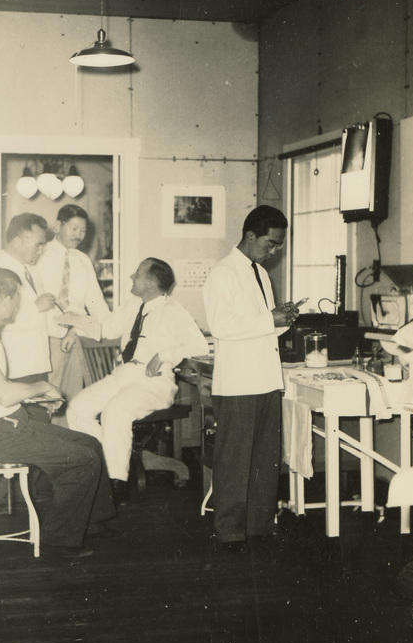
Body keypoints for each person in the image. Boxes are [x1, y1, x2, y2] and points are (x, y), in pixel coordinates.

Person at [0, 267, 117, 559]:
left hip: (9, 423)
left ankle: (91, 521)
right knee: (82, 461)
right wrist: (44, 385)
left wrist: (39, 398)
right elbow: (4, 393)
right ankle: (58, 539)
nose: (18, 304)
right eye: (17, 297)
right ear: (5, 299)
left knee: (89, 444)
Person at [67, 257, 209, 505]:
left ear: (151, 282)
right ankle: (111, 460)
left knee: (115, 411)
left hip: (153, 383)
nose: (132, 277)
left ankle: (116, 484)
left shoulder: (173, 311)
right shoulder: (133, 304)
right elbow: (106, 329)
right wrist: (74, 319)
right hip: (123, 375)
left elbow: (198, 344)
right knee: (77, 409)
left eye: (137, 274)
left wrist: (164, 355)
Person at [202, 205, 300, 552]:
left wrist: (283, 318)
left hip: (265, 379)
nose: (274, 251)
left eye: (278, 246)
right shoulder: (223, 273)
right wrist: (268, 318)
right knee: (234, 459)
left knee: (264, 459)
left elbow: (262, 328)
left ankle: (260, 525)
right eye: (271, 244)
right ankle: (229, 531)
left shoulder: (259, 273)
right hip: (239, 383)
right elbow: (222, 327)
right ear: (250, 236)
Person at [36, 204, 111, 410]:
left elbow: (96, 303)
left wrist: (109, 330)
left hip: (77, 336)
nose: (79, 235)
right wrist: (65, 327)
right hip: (47, 336)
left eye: (84, 230)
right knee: (46, 400)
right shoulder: (40, 254)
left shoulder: (83, 260)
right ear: (59, 225)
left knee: (71, 400)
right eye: (74, 228)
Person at [0, 213, 56, 400]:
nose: (42, 250)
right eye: (38, 244)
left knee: (41, 420)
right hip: (16, 365)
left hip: (37, 362)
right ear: (19, 242)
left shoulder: (30, 271)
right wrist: (36, 307)